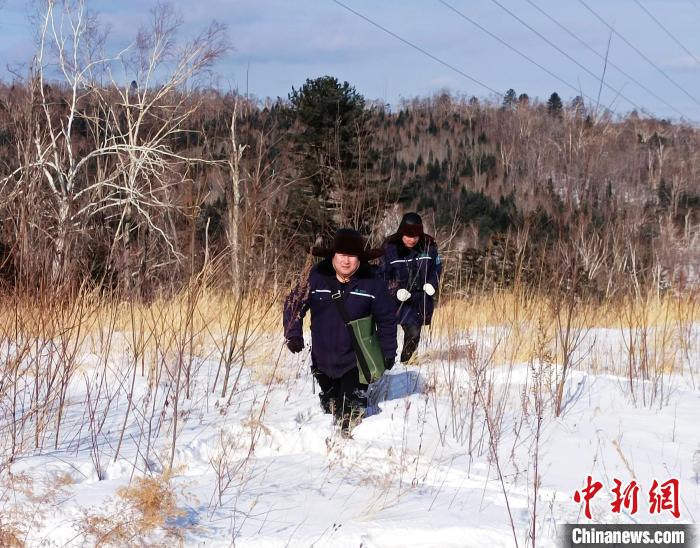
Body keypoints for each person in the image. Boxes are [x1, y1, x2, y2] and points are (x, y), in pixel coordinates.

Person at [283, 228, 397, 436]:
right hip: (322, 361)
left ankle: (344, 446)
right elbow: (294, 302)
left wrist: (388, 352)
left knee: (350, 412)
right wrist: (293, 333)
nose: (346, 261)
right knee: (331, 407)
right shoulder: (317, 276)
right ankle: (332, 400)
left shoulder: (372, 282)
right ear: (333, 255)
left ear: (359, 258)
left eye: (352, 256)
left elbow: (387, 318)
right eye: (342, 255)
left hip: (355, 361)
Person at [379, 212, 441, 363]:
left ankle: (407, 363)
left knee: (413, 333)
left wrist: (432, 284)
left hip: (418, 299)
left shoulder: (429, 246)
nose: (411, 240)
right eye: (408, 236)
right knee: (386, 334)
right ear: (401, 232)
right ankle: (385, 366)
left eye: (415, 236)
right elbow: (382, 275)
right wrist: (395, 290)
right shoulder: (390, 248)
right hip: (394, 300)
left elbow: (437, 269)